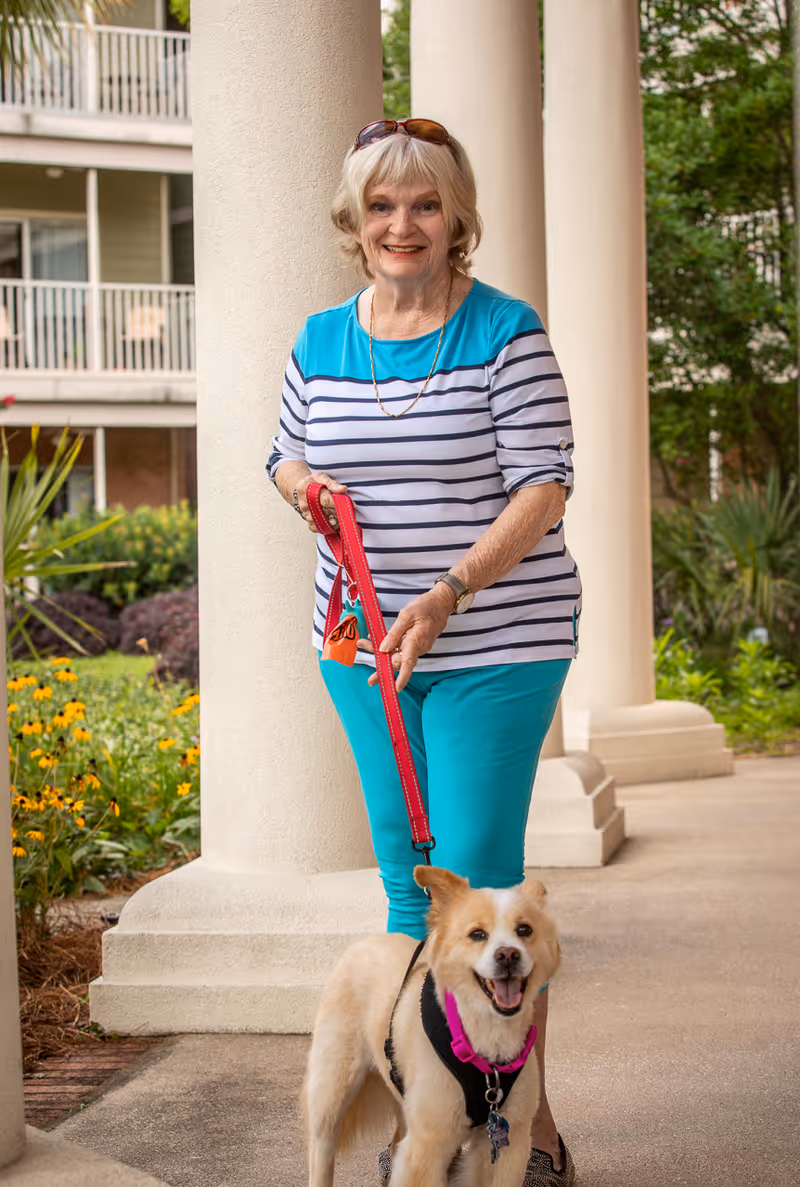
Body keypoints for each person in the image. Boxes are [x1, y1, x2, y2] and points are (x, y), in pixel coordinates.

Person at [268, 118, 580, 1186]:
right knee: (414, 889)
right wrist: (303, 489)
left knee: (486, 894)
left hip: (494, 637)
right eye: (382, 206)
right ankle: (433, 1117)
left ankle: (523, 1127)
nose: (403, 224)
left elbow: (543, 484)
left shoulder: (503, 331)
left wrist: (448, 590)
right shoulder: (319, 338)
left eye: (425, 203)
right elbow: (285, 454)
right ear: (353, 224)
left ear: (457, 219)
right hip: (363, 650)